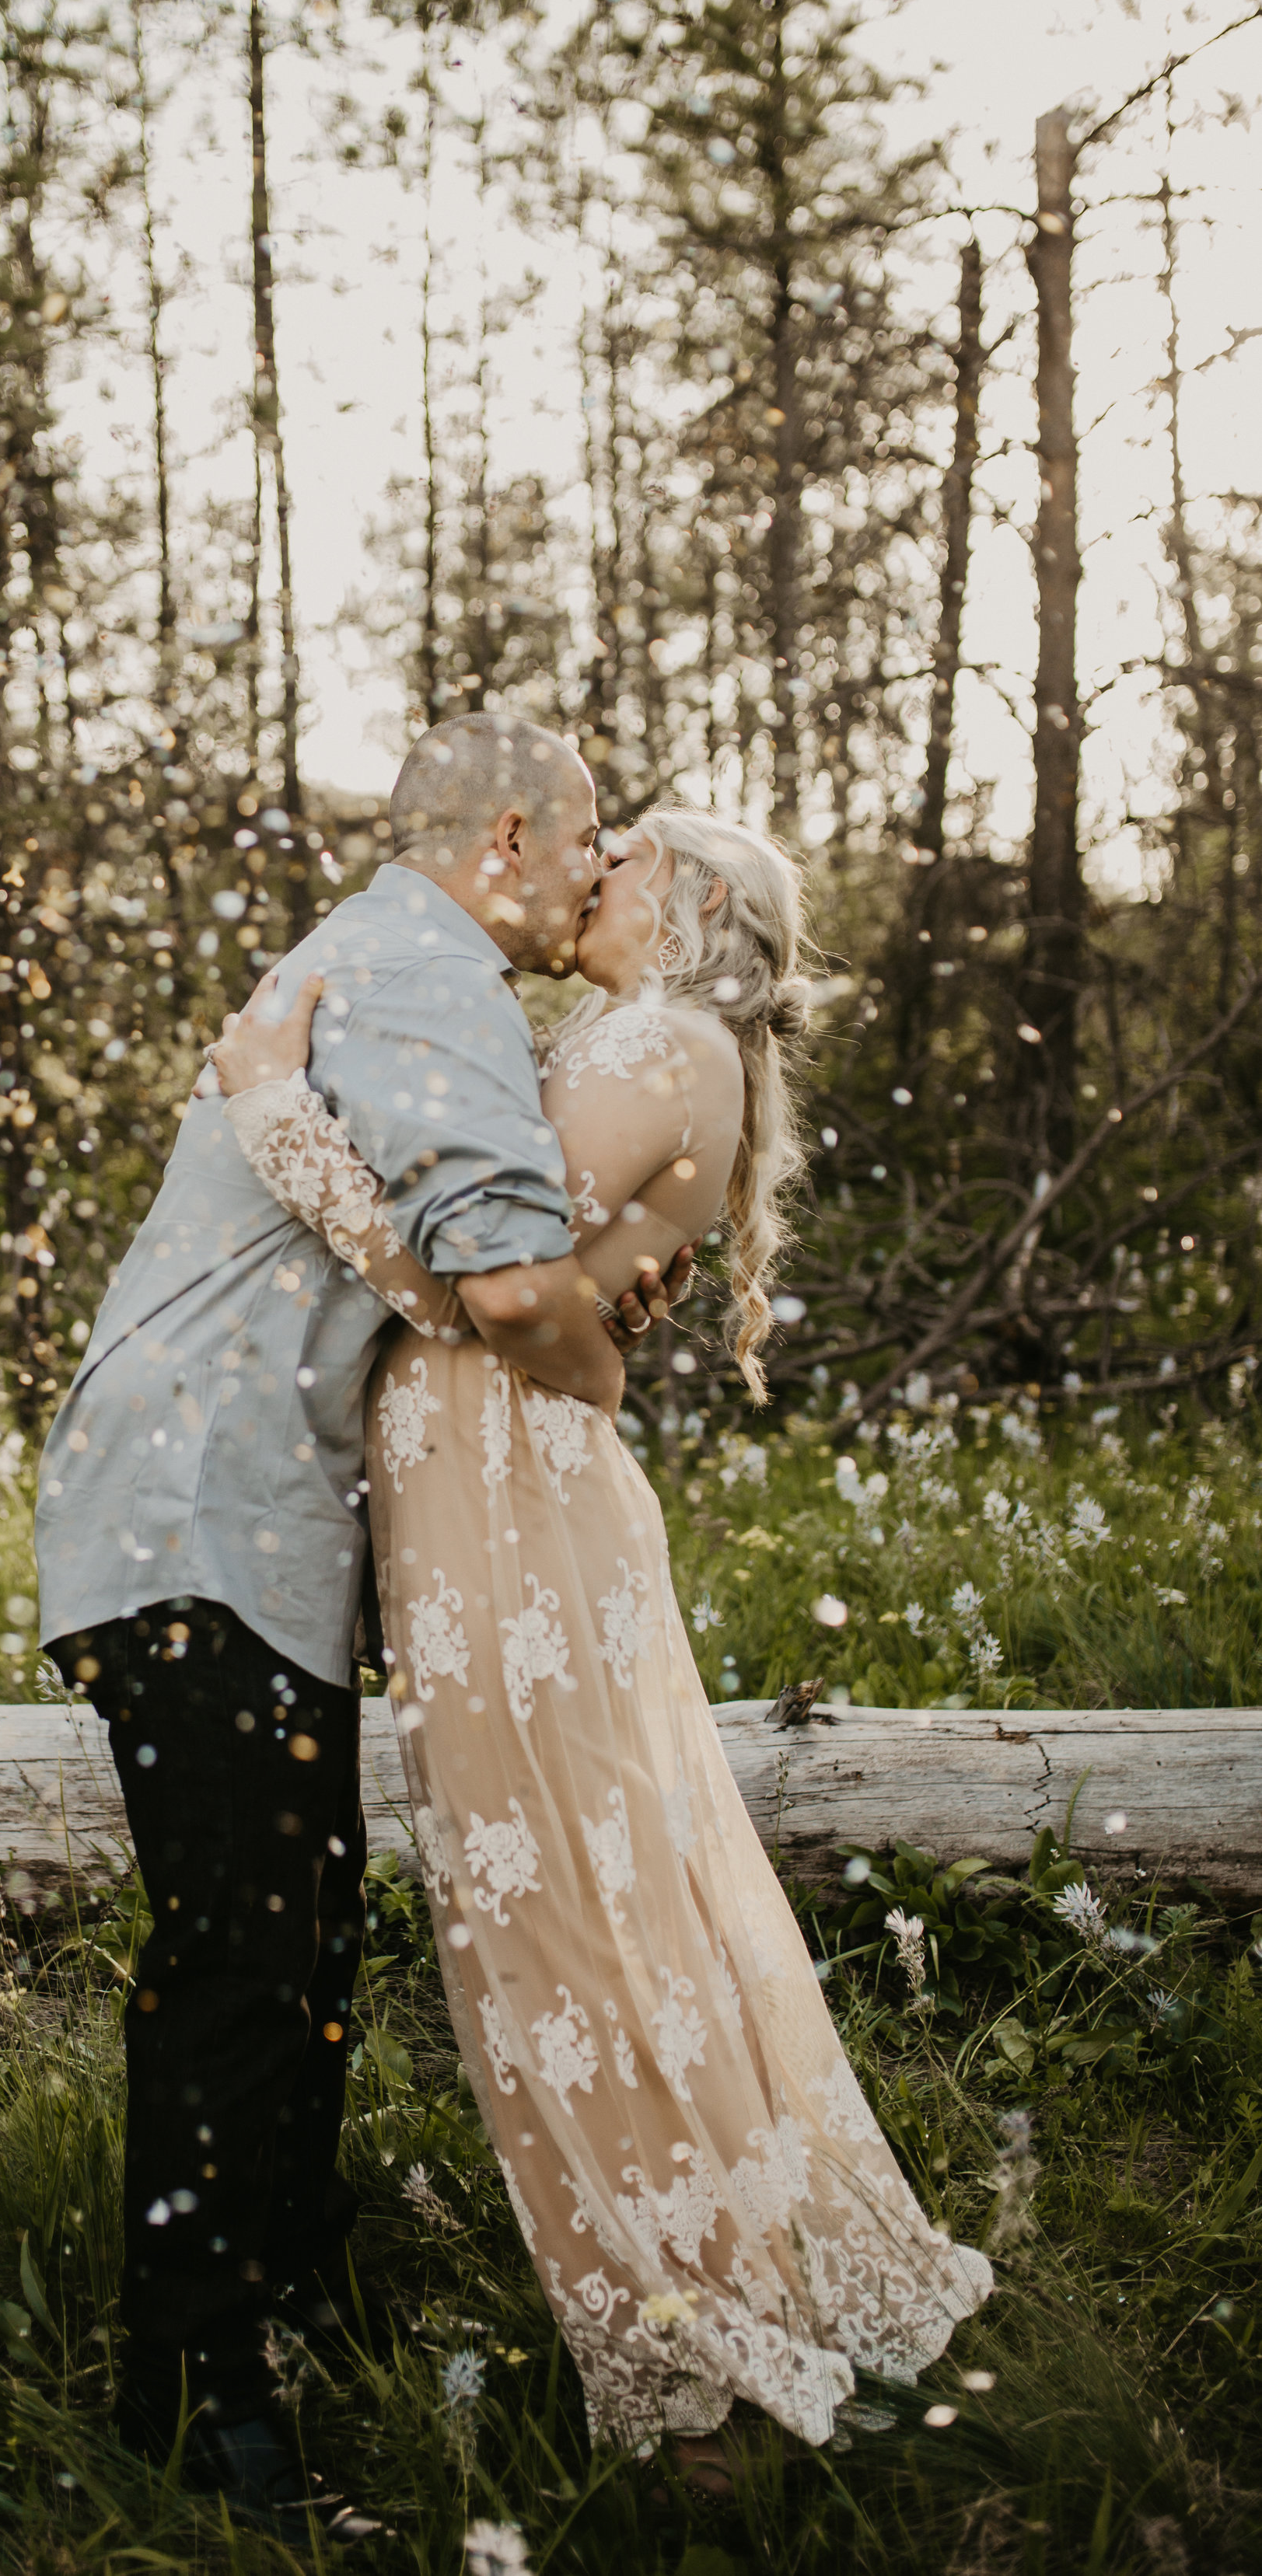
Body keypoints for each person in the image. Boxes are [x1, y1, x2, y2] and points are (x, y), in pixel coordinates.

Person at [208, 801, 994, 2496]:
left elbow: (480, 1270)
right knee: (585, 1903)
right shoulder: (659, 1042)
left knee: (559, 1918)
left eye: (625, 845)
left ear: (694, 894)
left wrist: (277, 1108)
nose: (590, 863)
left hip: (505, 1492)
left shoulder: (656, 1032)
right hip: (494, 1482)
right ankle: (713, 2299)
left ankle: (699, 2364)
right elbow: (530, 1265)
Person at [33, 713, 683, 2541]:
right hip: (195, 1522)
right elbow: (496, 1276)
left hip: (225, 1524)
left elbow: (465, 1239)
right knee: (245, 1952)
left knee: (300, 1935)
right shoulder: (427, 966)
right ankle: (190, 2394)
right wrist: (592, 1347)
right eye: (583, 838)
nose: (590, 870)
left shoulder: (372, 953)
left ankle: (288, 2294)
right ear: (507, 834)